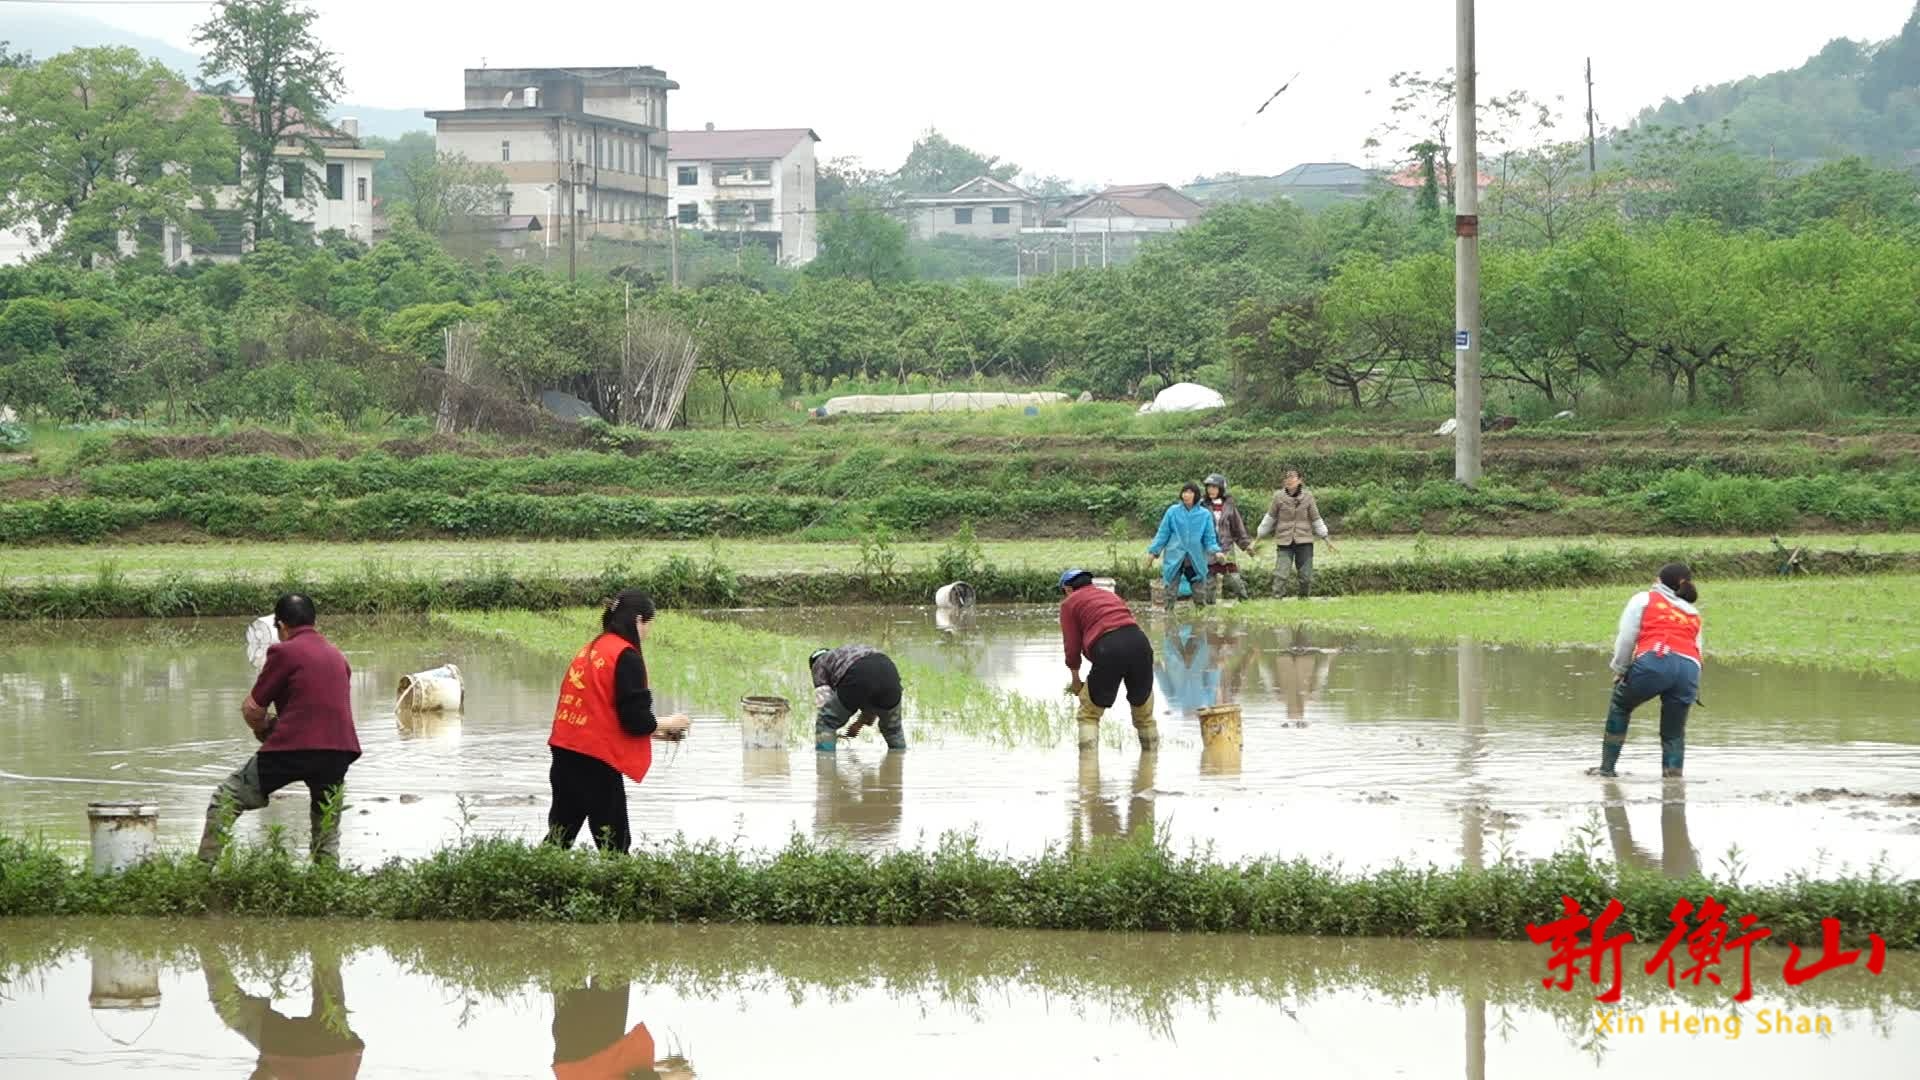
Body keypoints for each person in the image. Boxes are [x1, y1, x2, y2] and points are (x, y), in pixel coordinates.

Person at [198, 594, 360, 866]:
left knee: (225, 798)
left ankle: (200, 874)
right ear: (314, 621)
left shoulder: (283, 652)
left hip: (295, 747)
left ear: (281, 625)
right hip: (339, 751)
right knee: (327, 823)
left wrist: (264, 730)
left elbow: (252, 709)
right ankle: (328, 883)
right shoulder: (337, 656)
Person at [547, 590, 690, 854]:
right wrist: (670, 722)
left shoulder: (591, 649)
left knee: (559, 838)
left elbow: (600, 712)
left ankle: (534, 890)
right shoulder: (626, 656)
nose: (648, 631)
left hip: (566, 751)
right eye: (649, 623)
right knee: (615, 844)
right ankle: (620, 893)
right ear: (638, 620)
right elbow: (636, 721)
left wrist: (655, 733)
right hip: (595, 761)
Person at [1590, 563, 1703, 779]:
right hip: (1690, 669)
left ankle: (1606, 769)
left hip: (1656, 660)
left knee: (1620, 706)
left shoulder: (1644, 599)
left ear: (1658, 580)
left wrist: (1621, 668)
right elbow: (1698, 650)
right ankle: (1673, 781)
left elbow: (1626, 638)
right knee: (1674, 732)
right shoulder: (1692, 612)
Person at [200, 941, 365, 1079]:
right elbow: (263, 1075)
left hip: (342, 1054)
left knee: (330, 998)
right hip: (291, 1052)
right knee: (233, 1011)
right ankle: (207, 943)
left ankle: (325, 940)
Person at [1058, 568, 1158, 751]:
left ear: (1067, 588)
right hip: (1140, 644)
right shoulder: (1110, 596)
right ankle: (1150, 764)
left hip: (1109, 648)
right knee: (1144, 715)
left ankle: (1088, 773)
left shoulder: (1069, 603)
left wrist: (1075, 678)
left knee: (1088, 715)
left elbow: (1071, 645)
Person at [551, 978, 695, 1080]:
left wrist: (673, 1077)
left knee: (613, 965)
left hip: (597, 1054)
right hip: (570, 1063)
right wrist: (658, 1067)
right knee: (566, 968)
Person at [810, 644, 907, 752]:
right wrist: (858, 724)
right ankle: (899, 760)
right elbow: (872, 698)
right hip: (890, 674)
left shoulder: (819, 663)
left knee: (826, 722)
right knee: (893, 730)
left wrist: (828, 732)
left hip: (857, 673)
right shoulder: (847, 652)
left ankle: (825, 763)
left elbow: (824, 703)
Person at [1146, 482, 1223, 614]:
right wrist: (1153, 553)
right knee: (1170, 591)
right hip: (1174, 557)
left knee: (1199, 593)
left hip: (1195, 559)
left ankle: (1200, 620)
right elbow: (1162, 534)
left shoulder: (1204, 515)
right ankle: (1169, 620)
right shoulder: (1172, 512)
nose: (1186, 495)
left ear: (1196, 495)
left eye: (1190, 492)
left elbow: (1209, 538)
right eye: (1184, 492)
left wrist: (1216, 552)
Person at [1256, 469, 1329, 599]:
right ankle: (1276, 599)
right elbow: (1270, 517)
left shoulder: (1308, 497)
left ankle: (1303, 599)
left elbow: (1315, 518)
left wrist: (1324, 535)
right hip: (1284, 541)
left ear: (1300, 480)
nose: (1289, 480)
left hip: (1304, 541)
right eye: (1287, 478)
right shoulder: (1278, 497)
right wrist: (1260, 533)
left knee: (1305, 576)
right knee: (1281, 574)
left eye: (1293, 478)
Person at [1201, 473, 1254, 602]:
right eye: (1209, 487)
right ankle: (1209, 608)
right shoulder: (1202, 505)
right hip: (1209, 549)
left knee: (1234, 579)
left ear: (1221, 489)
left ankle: (1245, 600)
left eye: (1214, 487)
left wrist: (1246, 545)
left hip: (1226, 547)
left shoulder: (1229, 505)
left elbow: (1237, 528)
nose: (1211, 490)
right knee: (1209, 582)